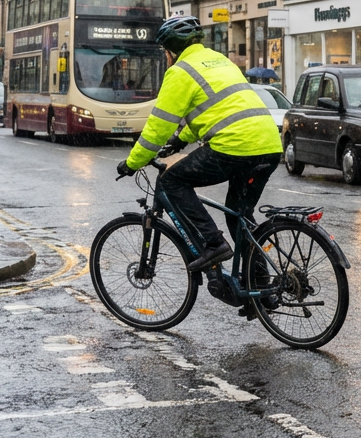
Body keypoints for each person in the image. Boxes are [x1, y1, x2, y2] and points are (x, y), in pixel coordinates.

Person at [117, 16, 284, 273]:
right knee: (239, 215)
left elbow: (157, 126)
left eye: (165, 52)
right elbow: (216, 110)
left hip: (234, 147)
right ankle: (260, 289)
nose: (165, 57)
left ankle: (213, 243)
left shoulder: (180, 72)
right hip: (269, 145)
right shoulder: (220, 61)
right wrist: (180, 141)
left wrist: (132, 163)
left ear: (170, 50)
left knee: (173, 180)